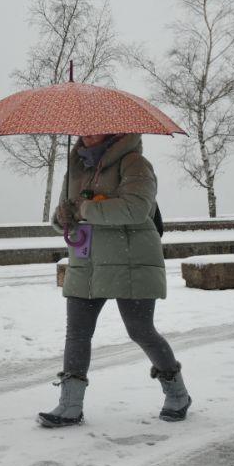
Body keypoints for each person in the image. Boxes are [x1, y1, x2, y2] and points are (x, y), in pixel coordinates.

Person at [38, 133, 192, 427]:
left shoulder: (136, 164)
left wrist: (85, 209)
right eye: (83, 128)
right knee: (77, 333)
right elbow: (62, 218)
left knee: (140, 330)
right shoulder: (75, 168)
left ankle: (177, 393)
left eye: (95, 127)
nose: (87, 133)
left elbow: (135, 209)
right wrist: (62, 216)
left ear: (113, 130)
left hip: (131, 260)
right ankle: (70, 404)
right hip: (86, 261)